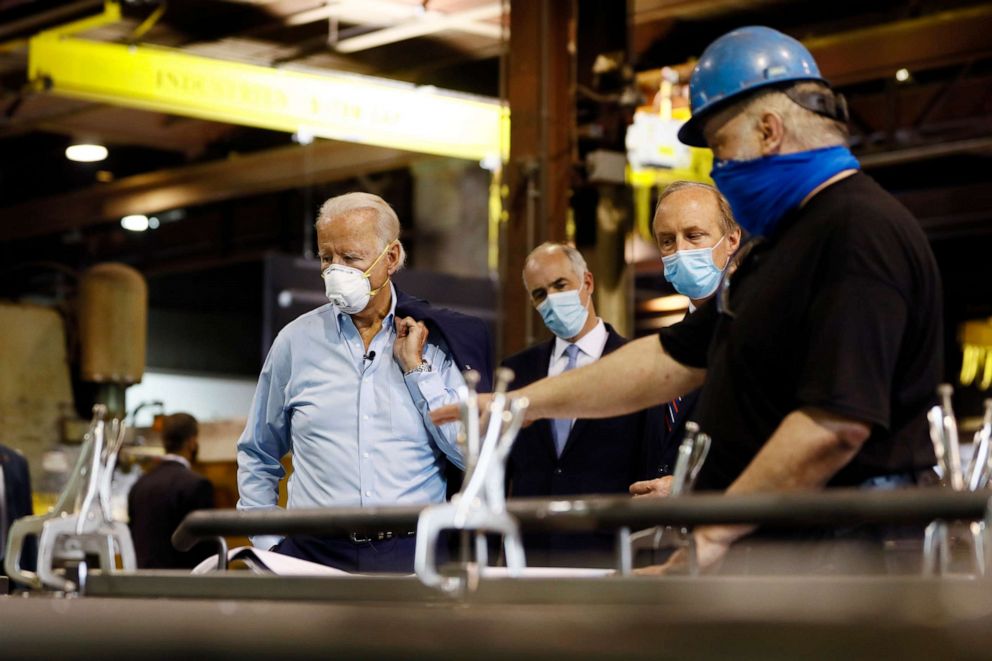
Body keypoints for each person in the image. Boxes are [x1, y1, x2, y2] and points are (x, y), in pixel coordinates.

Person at [435, 26, 942, 573]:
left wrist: (711, 539)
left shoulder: (856, 234)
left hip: (851, 556)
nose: (718, 170)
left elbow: (832, 425)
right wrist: (523, 406)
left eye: (721, 149)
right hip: (787, 548)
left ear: (769, 131)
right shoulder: (781, 250)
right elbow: (668, 359)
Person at [237, 192, 487, 573]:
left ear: (391, 257)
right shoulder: (296, 341)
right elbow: (258, 452)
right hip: (311, 553)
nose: (336, 271)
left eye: (350, 258)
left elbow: (468, 455)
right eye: (326, 258)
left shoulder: (436, 340)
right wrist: (272, 546)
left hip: (411, 554)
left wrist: (418, 373)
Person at [502, 243, 667, 567]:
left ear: (587, 283)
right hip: (530, 556)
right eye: (539, 294)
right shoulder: (517, 372)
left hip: (607, 554)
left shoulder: (635, 366)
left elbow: (649, 464)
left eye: (560, 285)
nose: (551, 300)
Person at [629, 181, 740, 500]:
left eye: (693, 236)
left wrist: (690, 487)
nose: (680, 250)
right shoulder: (669, 344)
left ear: (731, 239)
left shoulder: (762, 330)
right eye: (667, 241)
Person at [128, 413, 215, 569]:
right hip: (184, 586)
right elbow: (207, 552)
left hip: (142, 585)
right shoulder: (197, 485)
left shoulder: (139, 485)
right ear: (192, 442)